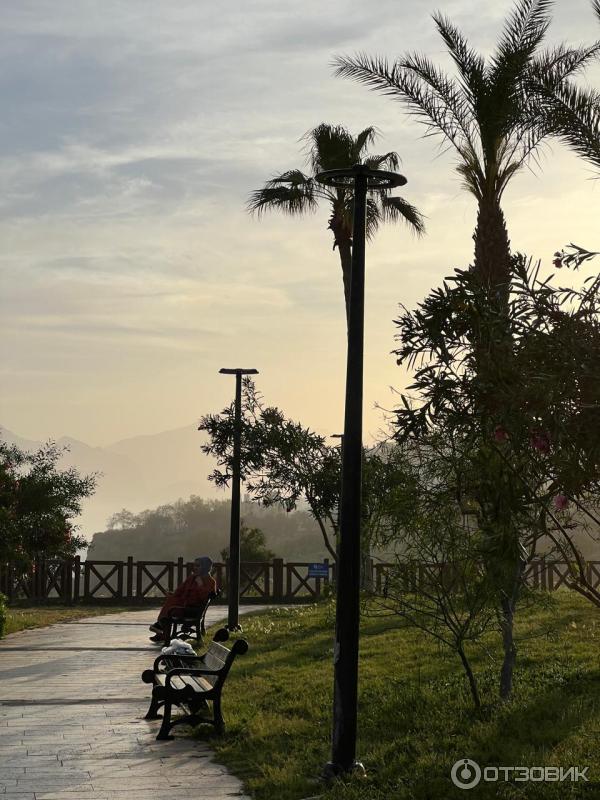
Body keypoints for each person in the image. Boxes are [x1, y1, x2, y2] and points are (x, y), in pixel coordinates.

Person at [149, 556, 216, 642]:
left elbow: (203, 598)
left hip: (193, 610)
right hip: (184, 605)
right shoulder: (192, 577)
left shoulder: (210, 581)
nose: (195, 568)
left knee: (171, 606)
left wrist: (200, 585)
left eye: (198, 566)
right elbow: (180, 590)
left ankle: (161, 629)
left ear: (205, 567)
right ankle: (161, 631)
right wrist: (172, 594)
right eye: (194, 565)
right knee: (172, 600)